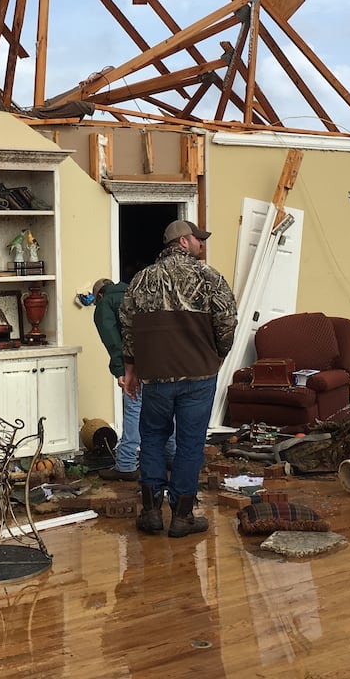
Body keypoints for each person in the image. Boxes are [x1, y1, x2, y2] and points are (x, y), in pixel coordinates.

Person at [120, 219, 237, 538]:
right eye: (198, 239)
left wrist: (130, 369)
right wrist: (219, 355)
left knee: (153, 439)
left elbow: (127, 327)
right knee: (190, 443)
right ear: (183, 242)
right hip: (198, 375)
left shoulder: (141, 280)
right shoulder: (209, 277)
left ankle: (151, 513)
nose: (202, 244)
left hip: (156, 377)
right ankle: (182, 516)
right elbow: (227, 320)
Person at [92, 277, 176, 482]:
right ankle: (172, 456)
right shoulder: (140, 292)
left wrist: (121, 370)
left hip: (138, 362)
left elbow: (113, 340)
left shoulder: (105, 304)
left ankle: (126, 464)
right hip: (167, 359)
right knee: (166, 408)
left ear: (99, 295)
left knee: (134, 408)